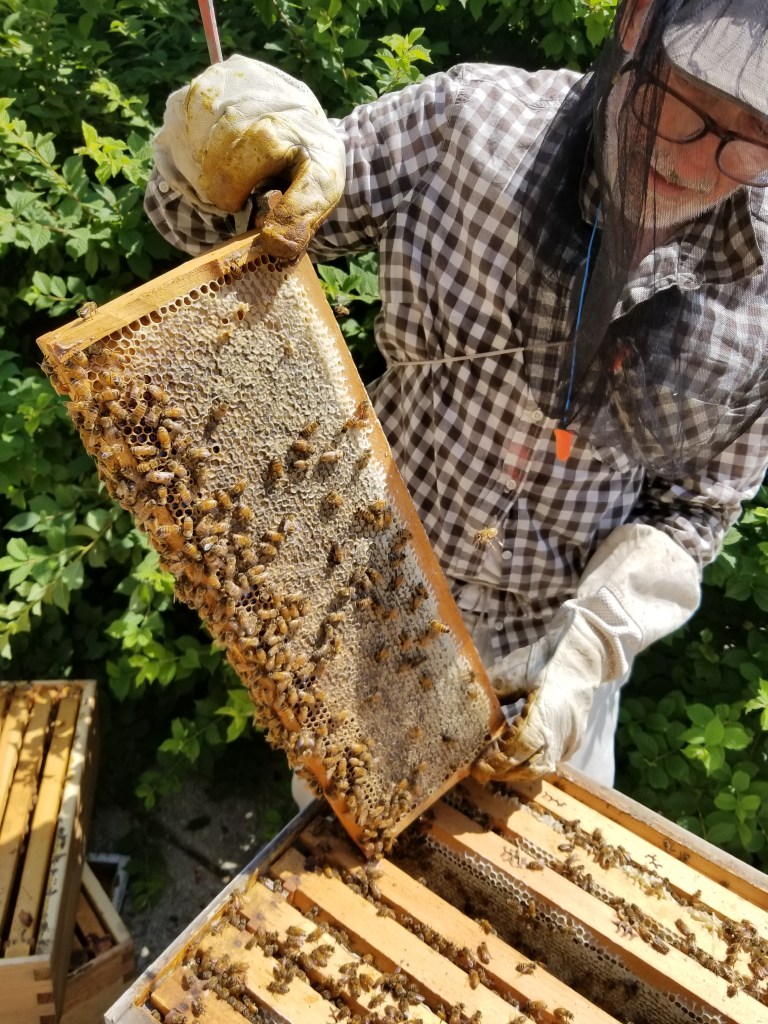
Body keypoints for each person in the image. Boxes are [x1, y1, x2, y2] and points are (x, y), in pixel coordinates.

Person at [144, 0, 768, 787]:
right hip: (361, 617)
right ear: (638, 25)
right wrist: (225, 147)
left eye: (752, 136)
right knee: (337, 850)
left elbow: (694, 511)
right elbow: (217, 227)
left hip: (552, 667)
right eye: (687, 105)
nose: (698, 161)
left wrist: (585, 653)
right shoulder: (466, 122)